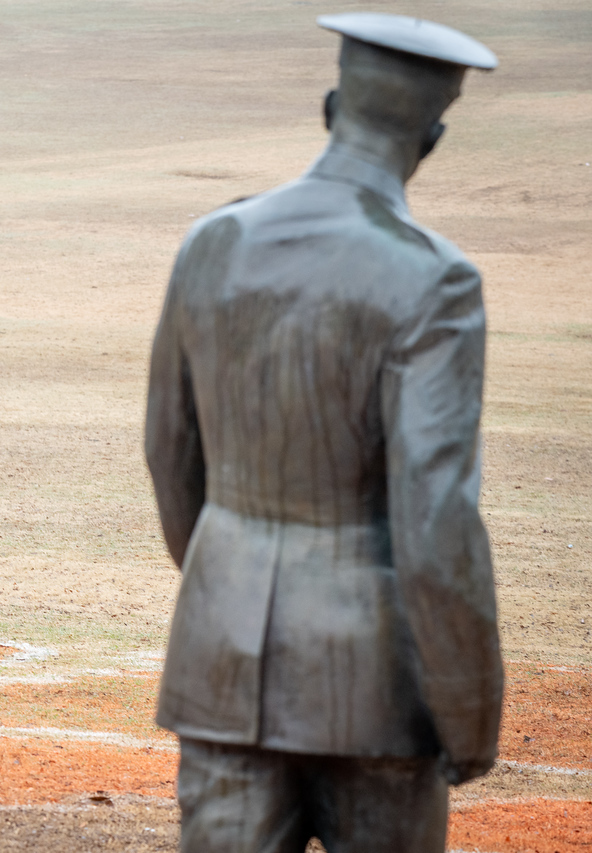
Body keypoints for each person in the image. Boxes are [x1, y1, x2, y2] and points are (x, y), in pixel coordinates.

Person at [144, 13, 504, 851]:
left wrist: (229, 591)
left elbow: (170, 454)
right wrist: (468, 707)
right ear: (434, 137)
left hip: (219, 656)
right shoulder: (437, 278)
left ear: (331, 104)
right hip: (374, 687)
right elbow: (436, 520)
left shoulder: (214, 240)